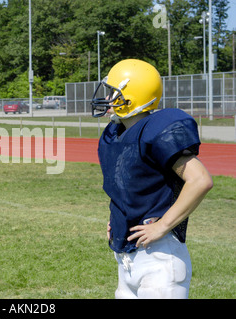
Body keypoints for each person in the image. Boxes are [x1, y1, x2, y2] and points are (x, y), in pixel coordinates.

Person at [91, 59, 213, 299]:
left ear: (132, 96)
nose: (107, 100)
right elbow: (131, 185)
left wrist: (163, 225)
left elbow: (200, 180)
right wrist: (117, 219)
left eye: (113, 93)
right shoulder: (116, 134)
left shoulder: (157, 130)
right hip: (127, 258)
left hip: (160, 260)